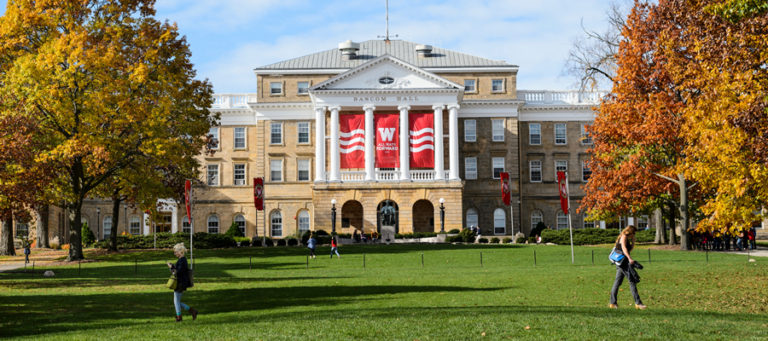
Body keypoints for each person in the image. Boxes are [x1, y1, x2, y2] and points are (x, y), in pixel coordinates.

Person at [609, 225, 646, 310]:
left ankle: (613, 303)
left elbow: (629, 249)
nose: (634, 235)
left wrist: (633, 242)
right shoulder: (624, 237)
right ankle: (638, 303)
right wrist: (630, 258)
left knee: (617, 282)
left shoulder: (626, 237)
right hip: (623, 262)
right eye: (634, 233)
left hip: (621, 262)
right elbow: (624, 249)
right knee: (632, 281)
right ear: (631, 231)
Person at [167, 243, 197, 322]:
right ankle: (191, 311)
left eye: (176, 252)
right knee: (177, 301)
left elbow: (178, 272)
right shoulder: (181, 260)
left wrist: (171, 267)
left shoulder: (182, 260)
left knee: (176, 301)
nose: (175, 253)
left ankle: (180, 317)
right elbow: (177, 270)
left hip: (180, 283)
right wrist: (173, 267)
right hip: (180, 282)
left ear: (181, 251)